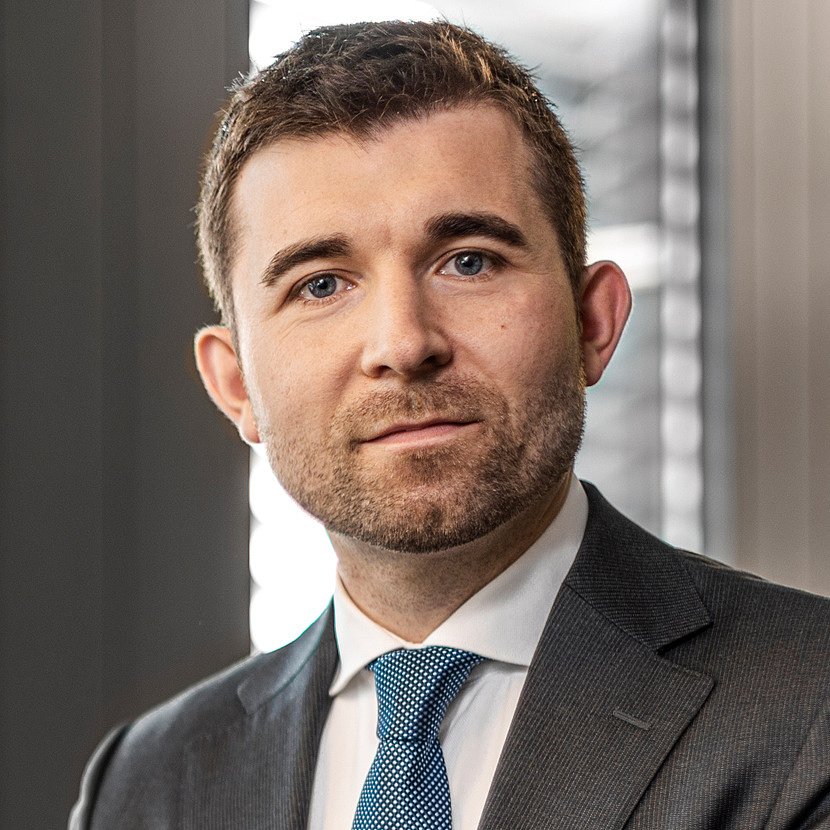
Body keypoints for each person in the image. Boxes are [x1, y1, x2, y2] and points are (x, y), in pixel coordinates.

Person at [70, 20, 830, 830]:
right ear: (236, 386)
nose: (404, 345)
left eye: (469, 261)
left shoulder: (810, 708)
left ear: (593, 323)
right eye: (321, 284)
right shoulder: (146, 785)